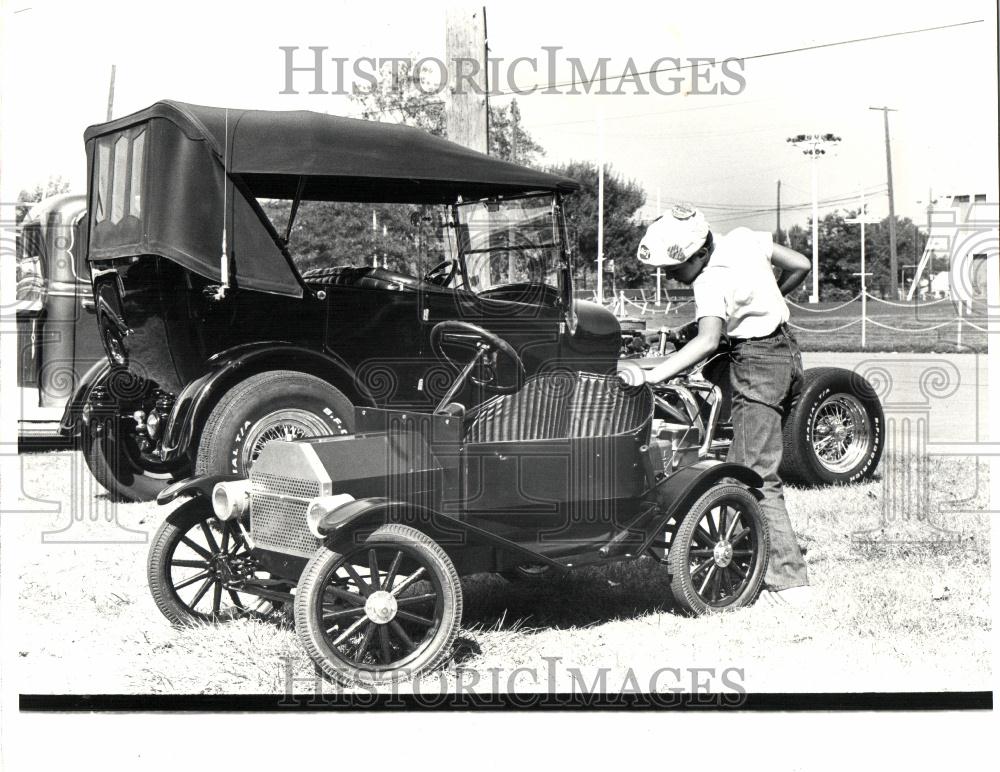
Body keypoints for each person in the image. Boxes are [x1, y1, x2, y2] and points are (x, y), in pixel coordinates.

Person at [631, 204, 813, 608]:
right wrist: (764, 298)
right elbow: (800, 264)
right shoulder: (744, 239)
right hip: (785, 350)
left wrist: (654, 376)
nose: (669, 275)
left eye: (674, 268)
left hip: (758, 364)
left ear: (699, 253)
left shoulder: (709, 281)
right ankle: (741, 541)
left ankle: (789, 581)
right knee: (739, 451)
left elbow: (708, 341)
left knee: (753, 474)